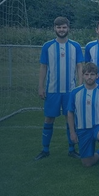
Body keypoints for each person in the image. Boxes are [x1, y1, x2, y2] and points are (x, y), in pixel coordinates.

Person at [34, 16, 84, 161]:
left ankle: (71, 149)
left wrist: (80, 87)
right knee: (49, 118)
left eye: (64, 27)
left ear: (68, 28)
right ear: (54, 29)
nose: (61, 30)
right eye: (58, 27)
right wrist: (41, 86)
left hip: (70, 91)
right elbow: (43, 67)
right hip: (52, 90)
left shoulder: (75, 46)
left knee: (70, 119)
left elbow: (79, 67)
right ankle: (45, 150)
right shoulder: (47, 46)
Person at [66, 63, 99, 180]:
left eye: (92, 74)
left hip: (98, 127)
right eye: (86, 74)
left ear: (97, 76)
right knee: (87, 163)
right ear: (82, 76)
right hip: (82, 129)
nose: (89, 77)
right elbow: (70, 113)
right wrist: (72, 132)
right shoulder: (75, 92)